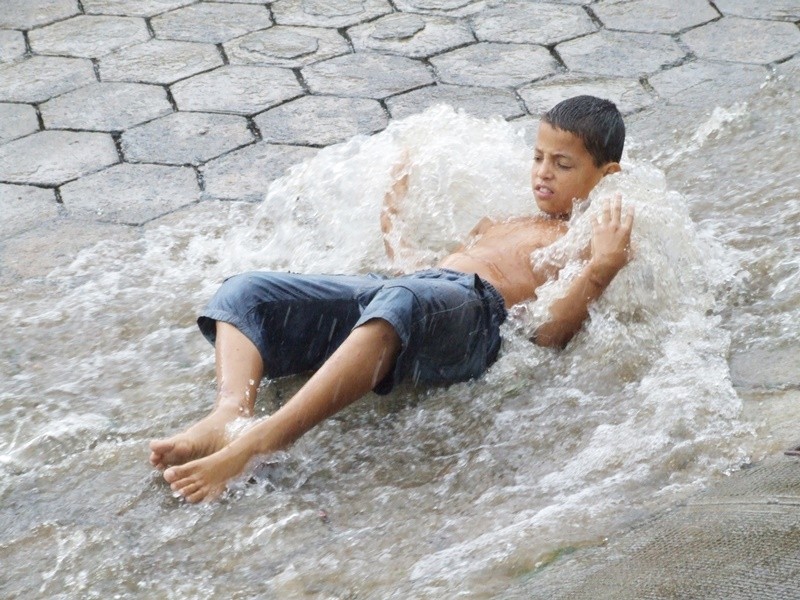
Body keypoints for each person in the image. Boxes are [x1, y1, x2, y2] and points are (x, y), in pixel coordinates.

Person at [149, 95, 634, 503]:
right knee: (248, 291)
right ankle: (230, 410)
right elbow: (414, 272)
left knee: (403, 298)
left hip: (477, 318)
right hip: (417, 292)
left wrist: (600, 271)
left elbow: (546, 335)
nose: (543, 173)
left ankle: (262, 440)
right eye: (538, 157)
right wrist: (392, 209)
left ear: (606, 174)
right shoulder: (501, 222)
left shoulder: (588, 239)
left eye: (562, 163)